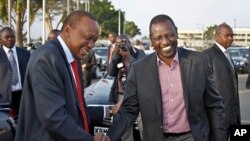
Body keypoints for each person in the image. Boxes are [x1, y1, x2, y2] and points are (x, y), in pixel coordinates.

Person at [99, 14, 227, 141]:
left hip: (193, 136)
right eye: (158, 37)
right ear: (151, 40)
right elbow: (128, 110)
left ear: (176, 33)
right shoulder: (139, 69)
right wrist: (110, 136)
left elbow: (214, 105)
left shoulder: (199, 61)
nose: (165, 41)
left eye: (170, 35)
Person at [15, 11, 108, 141]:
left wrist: (108, 110)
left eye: (94, 40)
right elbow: (53, 117)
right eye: (88, 38)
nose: (91, 45)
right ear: (68, 30)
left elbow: (75, 109)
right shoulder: (47, 57)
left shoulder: (73, 59)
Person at [203, 23, 241, 139]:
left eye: (232, 35)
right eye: (227, 35)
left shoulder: (227, 54)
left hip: (234, 116)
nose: (230, 38)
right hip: (219, 119)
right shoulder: (206, 55)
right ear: (217, 36)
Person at [108, 34, 146, 141]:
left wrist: (128, 56)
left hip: (137, 95)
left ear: (129, 43)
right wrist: (115, 56)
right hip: (120, 95)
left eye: (123, 44)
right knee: (124, 128)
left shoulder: (139, 53)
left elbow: (142, 70)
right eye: (118, 44)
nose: (121, 47)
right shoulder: (117, 56)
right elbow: (110, 73)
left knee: (143, 125)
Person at [0, 27, 30, 118]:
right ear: (0, 40)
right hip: (4, 98)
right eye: (7, 37)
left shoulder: (25, 53)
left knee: (24, 122)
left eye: (12, 36)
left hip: (23, 96)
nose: (10, 39)